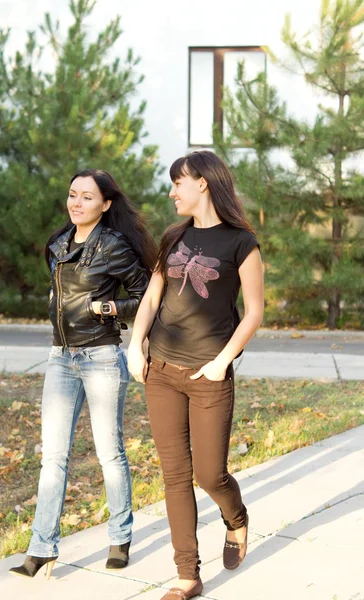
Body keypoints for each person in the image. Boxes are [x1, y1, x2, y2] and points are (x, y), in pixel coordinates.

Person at [128, 151, 264, 600]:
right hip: (162, 371)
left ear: (202, 183)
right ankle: (187, 575)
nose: (172, 192)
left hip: (209, 374)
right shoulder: (173, 237)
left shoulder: (242, 242)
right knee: (174, 475)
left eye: (178, 183)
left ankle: (236, 517)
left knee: (210, 475)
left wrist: (223, 360)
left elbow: (254, 313)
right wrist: (136, 344)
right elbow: (152, 297)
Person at [10, 169, 156, 580]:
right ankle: (41, 548)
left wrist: (108, 309)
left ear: (106, 204)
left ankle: (120, 538)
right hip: (60, 359)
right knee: (52, 456)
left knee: (110, 452)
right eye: (73, 195)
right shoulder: (58, 244)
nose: (77, 203)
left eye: (87, 197)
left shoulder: (113, 246)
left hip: (101, 358)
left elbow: (146, 296)